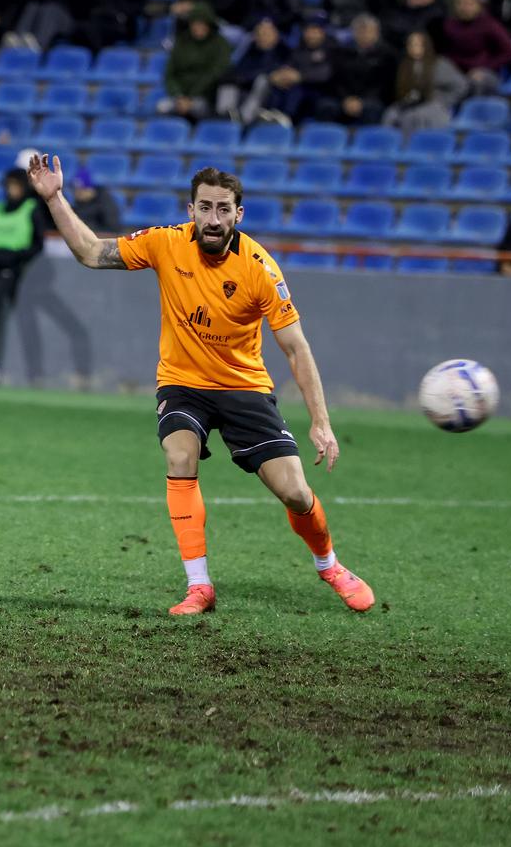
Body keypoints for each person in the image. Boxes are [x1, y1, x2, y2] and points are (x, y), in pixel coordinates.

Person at [26, 153, 373, 616]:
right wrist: (55, 198)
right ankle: (199, 586)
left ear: (238, 214)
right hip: (182, 382)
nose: (213, 219)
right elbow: (92, 252)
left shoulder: (260, 268)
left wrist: (322, 424)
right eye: (205, 208)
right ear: (190, 211)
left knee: (294, 491)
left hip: (243, 387)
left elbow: (296, 348)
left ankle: (329, 564)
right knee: (180, 453)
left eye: (223, 209)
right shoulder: (165, 243)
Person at [0, 166, 52, 374]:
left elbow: (37, 243)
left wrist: (15, 260)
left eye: (16, 185)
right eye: (9, 185)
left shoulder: (31, 208)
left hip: (9, 270)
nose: (12, 190)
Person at [382, 30, 467, 134]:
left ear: (426, 46)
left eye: (417, 44)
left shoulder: (439, 64)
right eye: (410, 44)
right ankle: (388, 146)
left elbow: (461, 85)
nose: (413, 47)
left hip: (434, 105)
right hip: (411, 103)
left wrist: (443, 100)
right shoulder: (404, 66)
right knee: (391, 113)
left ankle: (411, 146)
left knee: (415, 116)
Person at [158, 1, 230, 119]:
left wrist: (191, 97)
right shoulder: (182, 42)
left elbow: (215, 74)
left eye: (202, 24)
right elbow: (170, 73)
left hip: (205, 97)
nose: (198, 28)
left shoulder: (220, 44)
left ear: (209, 24)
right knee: (161, 107)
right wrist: (178, 96)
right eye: (195, 24)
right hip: (180, 97)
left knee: (199, 107)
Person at [441, 0, 511, 97]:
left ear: (478, 6)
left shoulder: (490, 25)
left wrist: (485, 67)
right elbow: (444, 53)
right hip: (456, 71)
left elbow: (510, 52)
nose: (464, 7)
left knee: (476, 81)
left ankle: (472, 111)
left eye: (469, 4)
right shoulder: (449, 25)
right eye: (460, 3)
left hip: (485, 71)